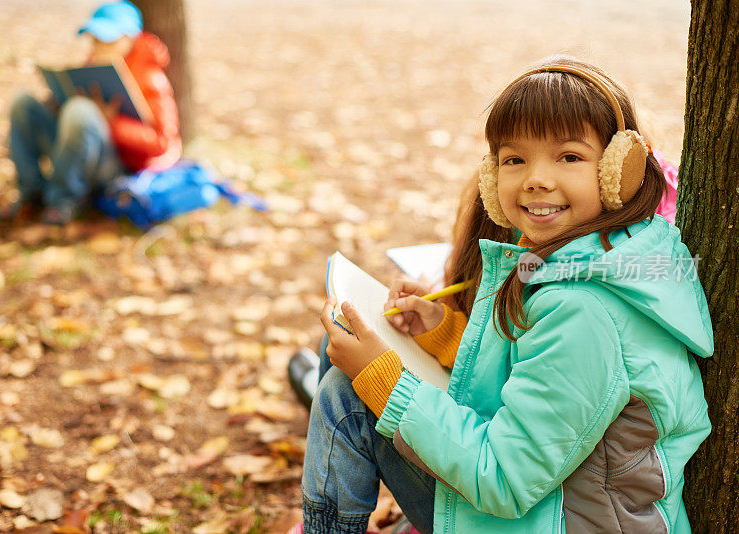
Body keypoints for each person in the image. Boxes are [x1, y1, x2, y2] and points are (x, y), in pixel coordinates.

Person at [294, 57, 713, 533]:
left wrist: (384, 380)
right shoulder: (603, 257)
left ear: (620, 170)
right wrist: (443, 330)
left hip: (542, 516)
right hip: (550, 505)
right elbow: (536, 384)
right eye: (515, 160)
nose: (536, 178)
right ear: (493, 178)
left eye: (569, 157)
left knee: (349, 394)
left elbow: (504, 480)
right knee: (350, 353)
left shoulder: (584, 309)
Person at [1, 0, 181, 224]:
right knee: (23, 103)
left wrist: (112, 123)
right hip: (82, 152)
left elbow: (162, 143)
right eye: (94, 39)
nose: (97, 46)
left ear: (130, 38)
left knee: (79, 111)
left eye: (106, 39)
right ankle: (31, 193)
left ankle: (63, 201)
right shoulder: (93, 66)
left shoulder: (152, 79)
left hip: (118, 167)